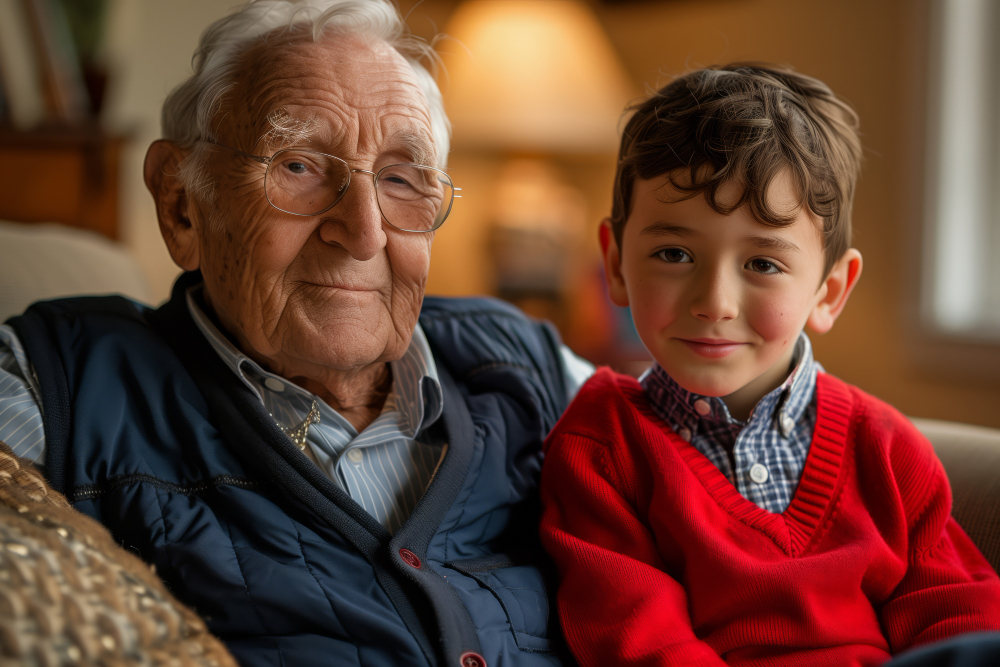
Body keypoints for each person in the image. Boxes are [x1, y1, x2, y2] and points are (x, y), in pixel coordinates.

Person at [0, 1, 592, 664]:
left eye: (401, 178)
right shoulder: (65, 382)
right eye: (300, 166)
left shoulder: (524, 363)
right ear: (181, 204)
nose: (364, 231)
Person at [539, 64, 1000, 666]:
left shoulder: (886, 448)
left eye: (763, 264)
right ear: (617, 264)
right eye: (674, 253)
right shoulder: (601, 448)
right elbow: (638, 640)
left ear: (830, 291)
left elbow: (958, 614)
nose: (714, 303)